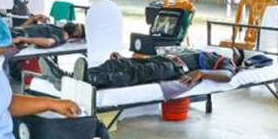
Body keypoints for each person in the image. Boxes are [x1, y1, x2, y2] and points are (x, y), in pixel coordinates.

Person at [41, 47, 248, 89]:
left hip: (176, 69)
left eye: (235, 49)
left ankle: (89, 80)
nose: (230, 47)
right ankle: (68, 77)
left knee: (136, 74)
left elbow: (228, 76)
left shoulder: (224, 61)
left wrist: (201, 72)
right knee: (116, 63)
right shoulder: (201, 50)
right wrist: (130, 57)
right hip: (161, 60)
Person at [10, 15, 85, 48]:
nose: (74, 26)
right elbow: (22, 28)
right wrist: (33, 18)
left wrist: (22, 39)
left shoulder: (62, 35)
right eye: (76, 24)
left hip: (16, 35)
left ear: (76, 37)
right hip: (16, 31)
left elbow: (48, 42)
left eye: (77, 30)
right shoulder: (59, 29)